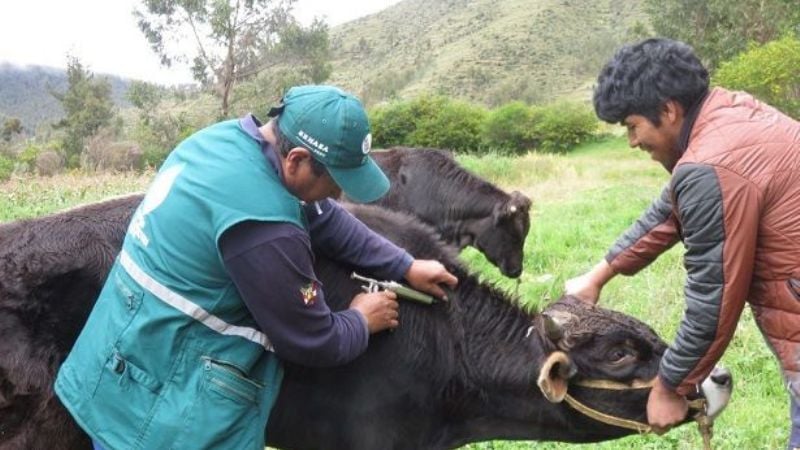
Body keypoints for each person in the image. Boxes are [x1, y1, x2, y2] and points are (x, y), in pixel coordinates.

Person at [54, 85, 458, 450]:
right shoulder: (265, 229)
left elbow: (323, 215)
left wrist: (404, 264)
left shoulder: (221, 143)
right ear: (297, 160)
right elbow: (312, 339)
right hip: (159, 415)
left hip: (118, 363)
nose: (338, 193)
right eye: (335, 180)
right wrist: (359, 318)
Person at [565, 38, 800, 444]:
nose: (632, 142)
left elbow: (714, 298)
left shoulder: (711, 164)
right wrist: (600, 274)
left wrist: (669, 387)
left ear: (669, 111)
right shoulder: (730, 113)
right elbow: (669, 211)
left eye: (632, 125)